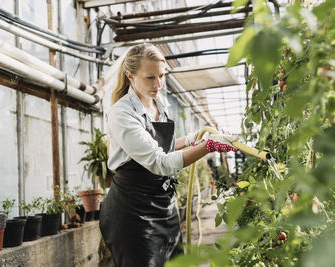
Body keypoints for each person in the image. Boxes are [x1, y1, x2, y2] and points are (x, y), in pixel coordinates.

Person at [99, 43, 238, 267]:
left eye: (162, 76)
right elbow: (159, 162)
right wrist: (208, 146)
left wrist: (194, 139)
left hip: (163, 205)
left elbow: (162, 146)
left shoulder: (159, 103)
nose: (158, 84)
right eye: (150, 78)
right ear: (130, 76)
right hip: (133, 213)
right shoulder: (122, 113)